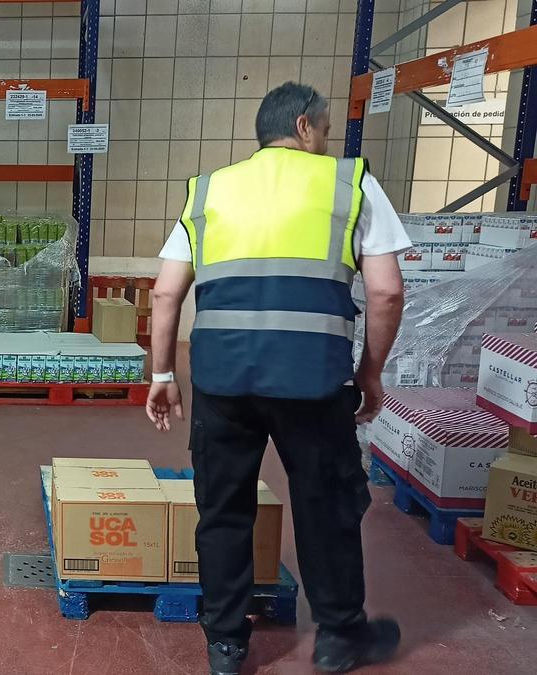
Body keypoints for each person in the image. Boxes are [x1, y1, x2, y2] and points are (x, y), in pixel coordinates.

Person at [146, 82, 409, 675]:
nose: (327, 144)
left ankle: (226, 646)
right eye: (326, 132)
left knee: (223, 509)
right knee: (326, 504)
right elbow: (387, 291)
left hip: (220, 380)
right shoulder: (348, 182)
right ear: (305, 127)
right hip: (313, 382)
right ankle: (340, 637)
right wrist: (370, 374)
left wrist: (163, 373)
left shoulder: (210, 189)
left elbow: (165, 290)